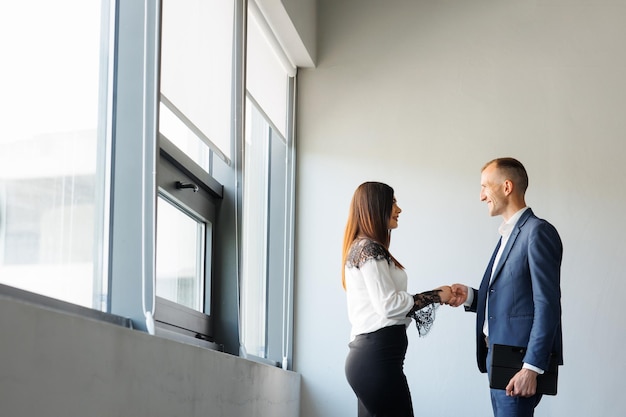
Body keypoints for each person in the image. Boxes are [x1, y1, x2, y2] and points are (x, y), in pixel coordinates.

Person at [449, 157, 563, 417]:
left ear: (507, 187)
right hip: (497, 358)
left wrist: (531, 368)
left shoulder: (537, 232)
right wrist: (471, 297)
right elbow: (513, 301)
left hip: (519, 365)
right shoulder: (508, 235)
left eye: (485, 187)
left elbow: (547, 305)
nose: (481, 196)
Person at [342, 181, 453, 417]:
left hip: (373, 359)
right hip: (376, 360)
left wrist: (436, 297)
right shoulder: (369, 249)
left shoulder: (363, 248)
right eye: (393, 202)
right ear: (375, 206)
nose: (399, 209)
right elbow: (389, 306)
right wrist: (434, 296)